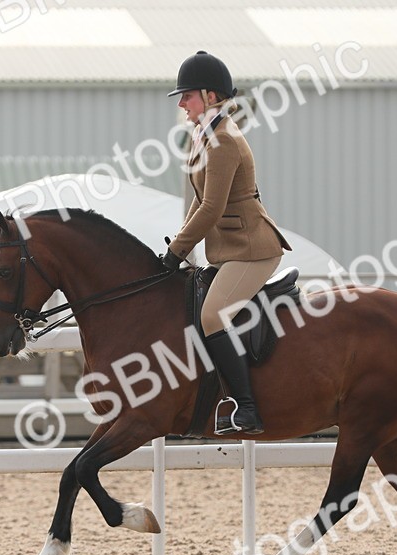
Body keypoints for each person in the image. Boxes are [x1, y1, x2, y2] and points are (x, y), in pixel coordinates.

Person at [160, 51, 291, 436]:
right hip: (229, 250)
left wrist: (176, 252)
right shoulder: (201, 137)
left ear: (211, 96)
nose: (182, 103)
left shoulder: (224, 141)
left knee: (212, 316)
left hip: (252, 250)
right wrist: (175, 248)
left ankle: (247, 409)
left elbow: (212, 209)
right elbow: (199, 203)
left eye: (188, 96)